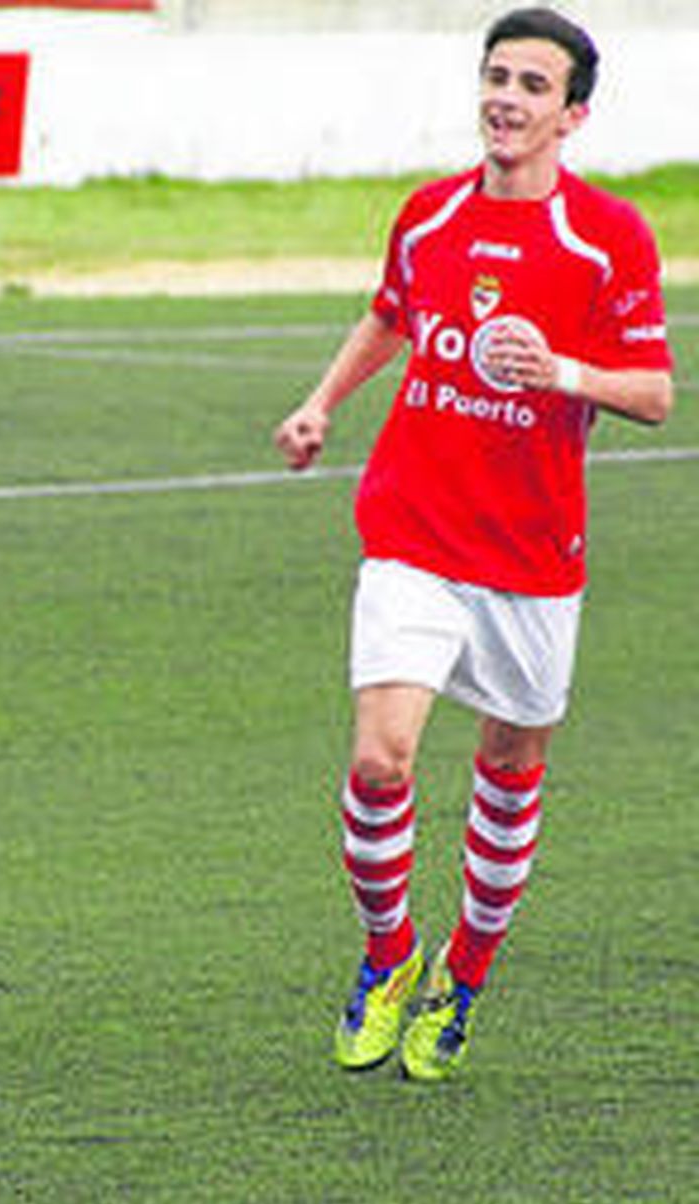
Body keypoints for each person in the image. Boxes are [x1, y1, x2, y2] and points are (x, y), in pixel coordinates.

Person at [273, 6, 673, 1083]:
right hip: (411, 530)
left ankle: (465, 971)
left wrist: (564, 374)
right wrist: (320, 405)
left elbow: (655, 392)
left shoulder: (606, 239)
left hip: (533, 557)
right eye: (496, 76)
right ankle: (388, 955)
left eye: (532, 85)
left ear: (571, 114)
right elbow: (390, 313)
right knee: (377, 755)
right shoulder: (430, 213)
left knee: (507, 771)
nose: (506, 97)